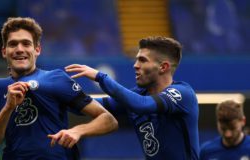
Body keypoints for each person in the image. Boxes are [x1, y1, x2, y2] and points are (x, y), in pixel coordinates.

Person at [0, 17, 118, 160]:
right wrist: (8, 107)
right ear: (4, 51)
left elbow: (109, 120)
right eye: (13, 44)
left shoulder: (57, 79)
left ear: (37, 49)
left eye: (26, 44)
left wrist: (77, 131)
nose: (19, 49)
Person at [65, 36, 200, 159]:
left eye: (142, 60)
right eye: (136, 59)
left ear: (163, 67)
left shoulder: (182, 94)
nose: (135, 65)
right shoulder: (138, 95)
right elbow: (87, 106)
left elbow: (142, 105)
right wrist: (58, 95)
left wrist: (101, 77)